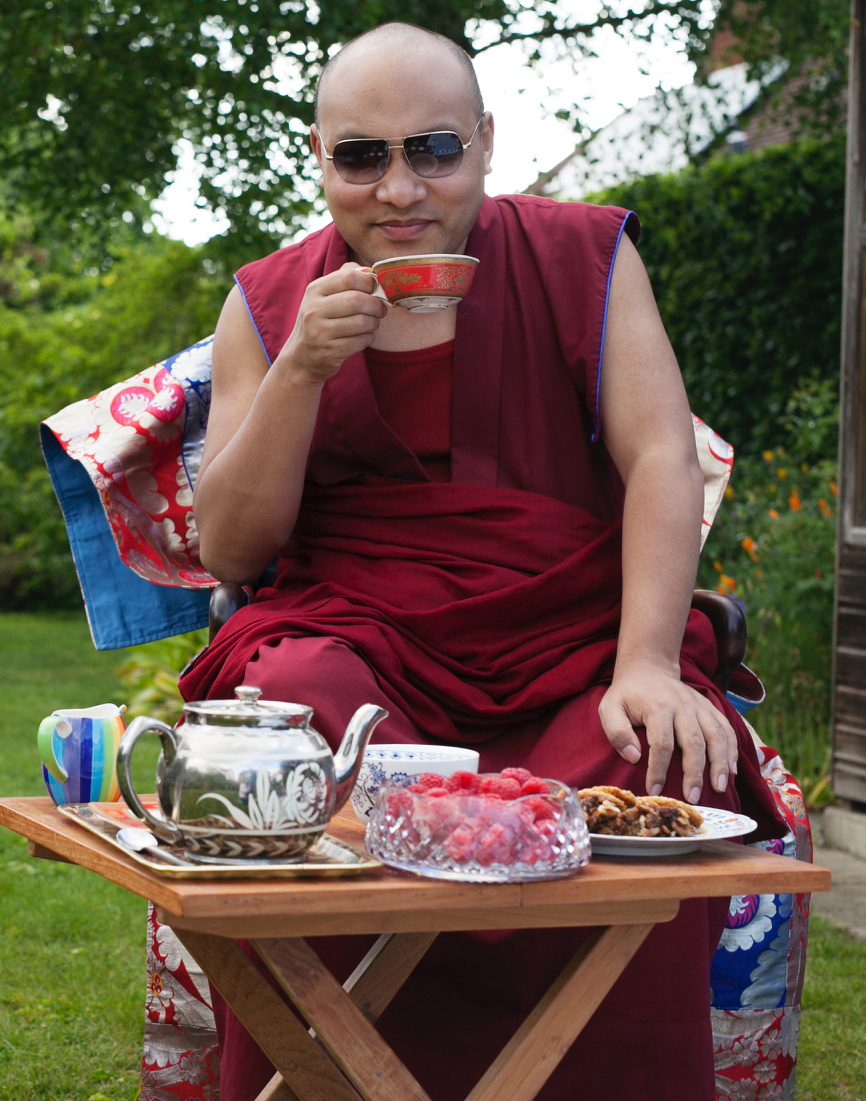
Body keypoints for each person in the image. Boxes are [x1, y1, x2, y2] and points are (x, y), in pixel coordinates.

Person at [177, 22, 788, 1101]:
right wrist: (299, 374)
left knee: (649, 756)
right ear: (318, 156)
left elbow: (659, 457)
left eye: (434, 149)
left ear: (487, 144)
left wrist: (643, 662)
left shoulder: (581, 256)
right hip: (364, 647)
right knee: (289, 707)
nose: (400, 188)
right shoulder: (268, 303)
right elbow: (230, 548)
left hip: (565, 642)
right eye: (362, 156)